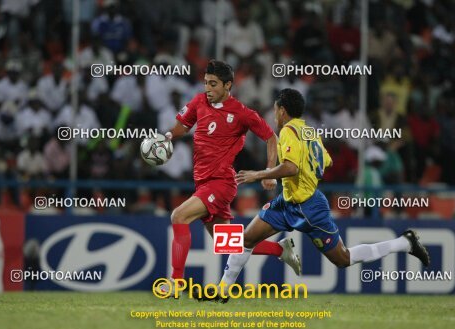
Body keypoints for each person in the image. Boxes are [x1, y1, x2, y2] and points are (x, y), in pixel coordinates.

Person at [197, 88, 430, 303]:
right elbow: (325, 161)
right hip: (288, 201)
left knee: (343, 259)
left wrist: (260, 174)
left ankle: (405, 243)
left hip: (308, 208)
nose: (275, 115)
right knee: (246, 239)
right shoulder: (309, 131)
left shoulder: (288, 130)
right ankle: (222, 291)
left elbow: (291, 167)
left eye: (276, 110)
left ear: (282, 110)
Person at [155, 60, 301, 297]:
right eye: (205, 83)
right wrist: (169, 135)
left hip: (221, 182)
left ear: (228, 85)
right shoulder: (199, 101)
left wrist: (269, 171)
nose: (208, 89)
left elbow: (271, 137)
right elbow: (183, 125)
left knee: (178, 216)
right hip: (203, 181)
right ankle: (280, 250)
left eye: (213, 84)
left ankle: (176, 282)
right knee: (229, 244)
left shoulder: (242, 113)